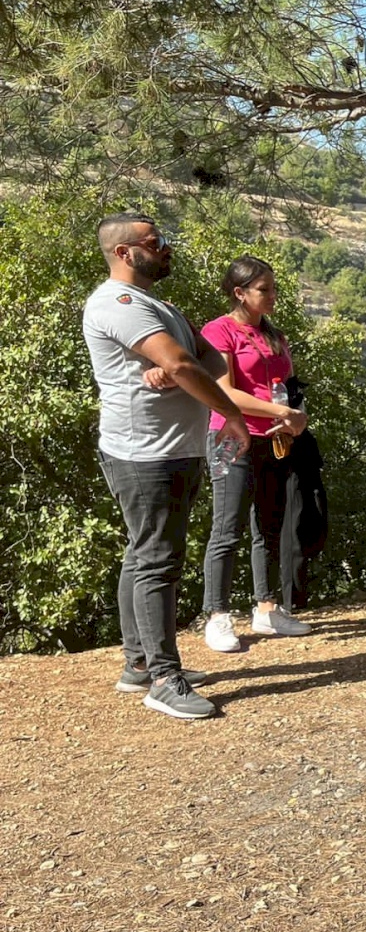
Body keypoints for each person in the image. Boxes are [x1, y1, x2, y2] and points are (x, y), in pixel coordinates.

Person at [82, 212, 247, 720]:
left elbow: (210, 361)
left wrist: (175, 368)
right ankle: (163, 678)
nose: (167, 247)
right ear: (125, 252)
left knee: (144, 553)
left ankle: (138, 664)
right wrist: (231, 413)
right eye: (156, 242)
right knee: (158, 559)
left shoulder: (160, 306)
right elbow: (182, 361)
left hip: (173, 448)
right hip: (145, 454)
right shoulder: (119, 303)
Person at [198, 256, 312, 653]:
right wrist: (281, 412)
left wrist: (295, 417)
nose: (273, 296)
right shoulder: (218, 331)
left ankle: (266, 608)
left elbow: (289, 387)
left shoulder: (276, 336)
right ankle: (217, 615)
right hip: (231, 437)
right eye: (264, 290)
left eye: (274, 288)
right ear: (239, 293)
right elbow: (224, 391)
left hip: (274, 440)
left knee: (269, 525)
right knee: (227, 527)